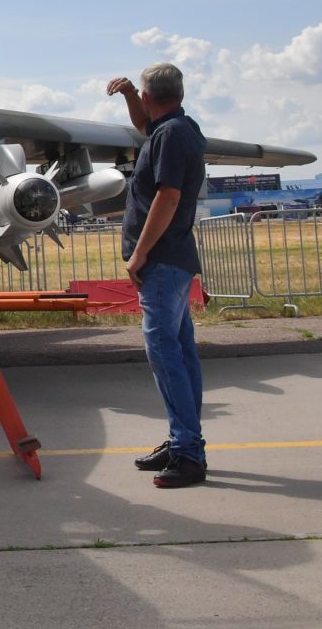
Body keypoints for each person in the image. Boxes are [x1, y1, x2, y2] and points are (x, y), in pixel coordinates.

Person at [106, 63, 208, 488]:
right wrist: (132, 95)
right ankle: (182, 440)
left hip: (162, 262)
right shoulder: (179, 127)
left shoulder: (169, 135)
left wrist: (140, 254)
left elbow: (167, 197)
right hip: (175, 260)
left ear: (152, 98)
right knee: (181, 353)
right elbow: (146, 122)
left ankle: (188, 451)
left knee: (165, 355)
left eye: (141, 97)